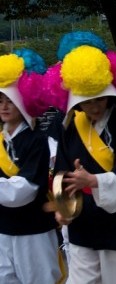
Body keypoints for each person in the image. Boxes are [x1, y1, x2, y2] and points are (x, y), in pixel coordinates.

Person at [50, 32, 116, 283]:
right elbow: (61, 171)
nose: (95, 107)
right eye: (87, 101)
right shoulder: (69, 127)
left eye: (100, 99)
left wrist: (94, 181)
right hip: (83, 219)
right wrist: (62, 207)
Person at [0, 50, 61, 283]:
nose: (4, 106)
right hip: (3, 229)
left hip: (33, 230)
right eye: (0, 100)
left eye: (10, 100)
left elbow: (23, 190)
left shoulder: (37, 141)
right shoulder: (1, 139)